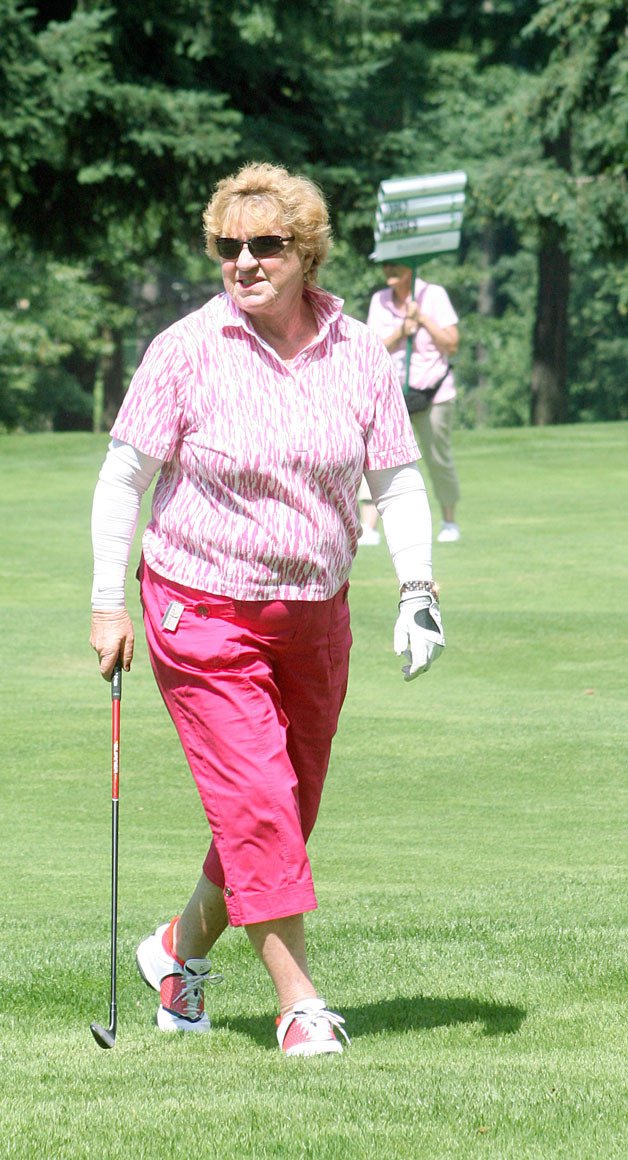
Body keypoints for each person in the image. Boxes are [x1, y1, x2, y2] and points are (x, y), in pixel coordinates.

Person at [89, 161, 445, 1058]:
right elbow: (124, 477)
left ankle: (176, 953)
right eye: (227, 246)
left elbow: (398, 481)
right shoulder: (184, 349)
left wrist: (418, 591)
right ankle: (299, 1006)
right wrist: (106, 605)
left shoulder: (359, 350)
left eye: (266, 245)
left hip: (316, 613)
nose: (244, 262)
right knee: (257, 805)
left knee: (283, 812)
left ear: (307, 253)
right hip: (199, 609)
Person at [365, 262, 461, 543]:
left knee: (438, 458)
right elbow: (372, 348)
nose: (388, 269)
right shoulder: (379, 300)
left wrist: (424, 320)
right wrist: (402, 331)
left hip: (433, 392)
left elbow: (451, 344)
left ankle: (449, 522)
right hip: (391, 395)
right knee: (375, 458)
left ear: (412, 266)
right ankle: (369, 526)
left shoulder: (434, 295)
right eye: (385, 264)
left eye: (395, 265)